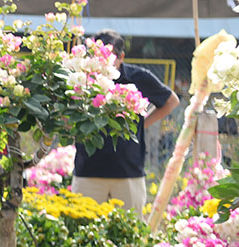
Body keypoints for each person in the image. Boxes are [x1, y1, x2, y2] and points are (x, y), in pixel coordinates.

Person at [71, 29, 178, 213]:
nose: (104, 63)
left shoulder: (137, 78)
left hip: (128, 172)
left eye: (110, 57)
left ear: (121, 57)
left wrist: (142, 123)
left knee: (130, 233)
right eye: (98, 57)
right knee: (82, 230)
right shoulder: (83, 79)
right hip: (88, 171)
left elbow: (171, 101)